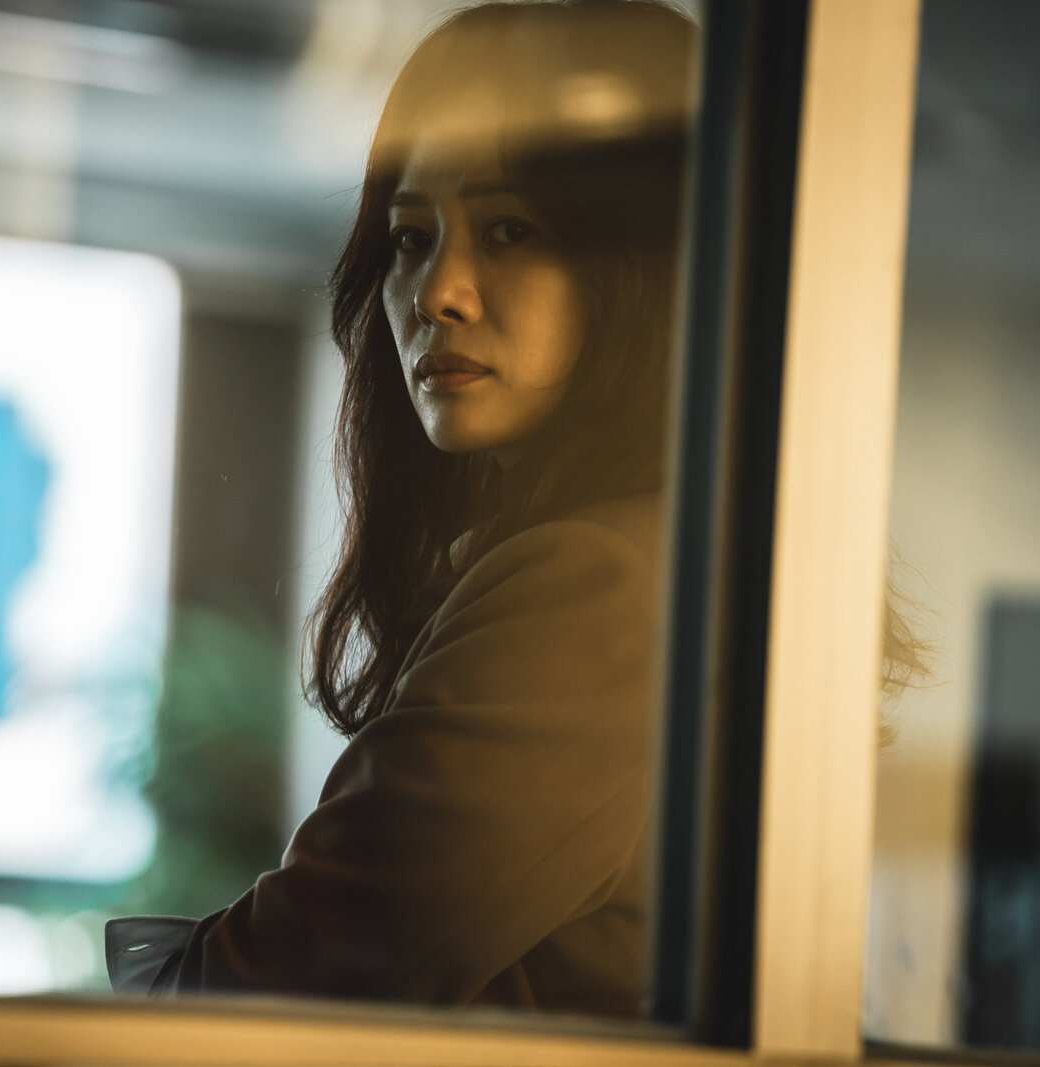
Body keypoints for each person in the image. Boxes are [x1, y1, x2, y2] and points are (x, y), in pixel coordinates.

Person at [108, 0, 695, 1015]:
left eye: (512, 229)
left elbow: (275, 986)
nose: (435, 292)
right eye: (410, 237)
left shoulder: (600, 581)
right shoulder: (652, 559)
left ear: (643, 264)